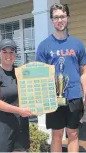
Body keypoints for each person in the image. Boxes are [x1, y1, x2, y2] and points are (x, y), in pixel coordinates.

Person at [36, 3, 86, 152]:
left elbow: (84, 72)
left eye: (62, 16)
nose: (59, 20)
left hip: (74, 95)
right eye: (56, 17)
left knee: (73, 133)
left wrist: (85, 94)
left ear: (68, 18)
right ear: (52, 20)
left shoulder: (78, 44)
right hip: (52, 97)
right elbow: (39, 75)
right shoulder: (44, 46)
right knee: (56, 134)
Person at [0, 39, 32, 152]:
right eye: (5, 51)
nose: (8, 55)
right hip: (1, 125)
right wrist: (19, 110)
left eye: (11, 52)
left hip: (20, 124)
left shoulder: (21, 72)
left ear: (16, 54)